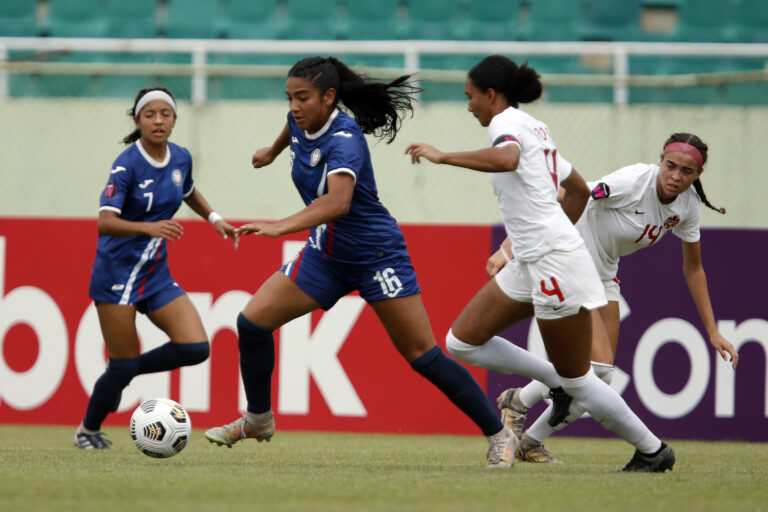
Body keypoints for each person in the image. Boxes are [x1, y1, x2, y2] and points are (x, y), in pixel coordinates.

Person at [203, 56, 521, 468]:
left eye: (303, 98)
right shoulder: (299, 119)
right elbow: (291, 129)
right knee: (251, 323)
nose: (294, 106)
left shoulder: (345, 139)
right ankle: (258, 418)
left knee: (422, 355)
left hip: (376, 256)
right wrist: (272, 150)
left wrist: (281, 226)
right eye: (290, 98)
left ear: (329, 97)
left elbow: (338, 202)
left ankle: (499, 434)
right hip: (326, 256)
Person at [405, 55, 675, 472]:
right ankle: (555, 383)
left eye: (470, 96)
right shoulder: (535, 127)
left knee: (581, 379)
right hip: (533, 257)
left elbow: (507, 159)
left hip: (552, 262)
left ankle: (653, 451)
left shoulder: (505, 124)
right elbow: (578, 190)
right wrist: (546, 236)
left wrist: (443, 156)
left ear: (491, 94)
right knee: (462, 342)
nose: (468, 105)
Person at [493, 132, 739, 463]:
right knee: (593, 368)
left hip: (604, 274)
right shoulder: (633, 180)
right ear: (660, 161)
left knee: (601, 375)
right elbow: (566, 196)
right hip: (570, 260)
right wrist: (508, 247)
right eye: (670, 166)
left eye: (686, 171)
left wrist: (712, 331)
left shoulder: (688, 206)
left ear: (698, 174)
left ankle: (530, 438)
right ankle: (520, 401)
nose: (676, 176)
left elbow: (694, 269)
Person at [74, 87, 238, 449]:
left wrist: (215, 219)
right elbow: (105, 221)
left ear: (175, 119)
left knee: (196, 348)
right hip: (116, 276)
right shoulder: (127, 165)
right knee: (122, 364)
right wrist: (148, 228)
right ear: (138, 121)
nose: (158, 120)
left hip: (154, 274)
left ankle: (123, 371)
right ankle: (87, 430)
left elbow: (187, 190)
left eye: (166, 114)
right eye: (150, 114)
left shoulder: (180, 157)